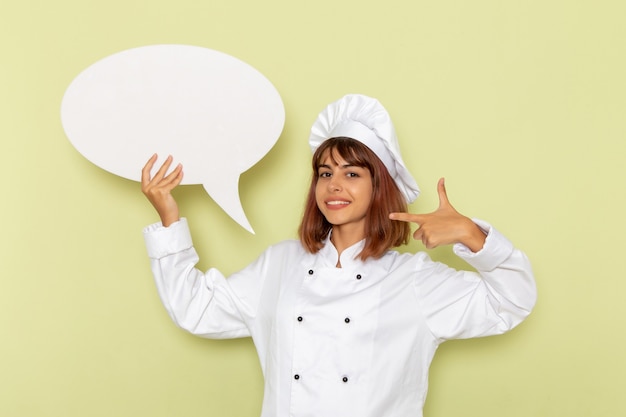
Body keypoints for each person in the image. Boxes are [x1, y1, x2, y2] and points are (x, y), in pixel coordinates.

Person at [141, 94, 536, 417]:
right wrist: (169, 218)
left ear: (378, 186)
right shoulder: (280, 264)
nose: (334, 186)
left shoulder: (414, 279)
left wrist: (471, 234)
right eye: (325, 173)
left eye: (352, 173)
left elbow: (511, 302)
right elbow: (196, 309)